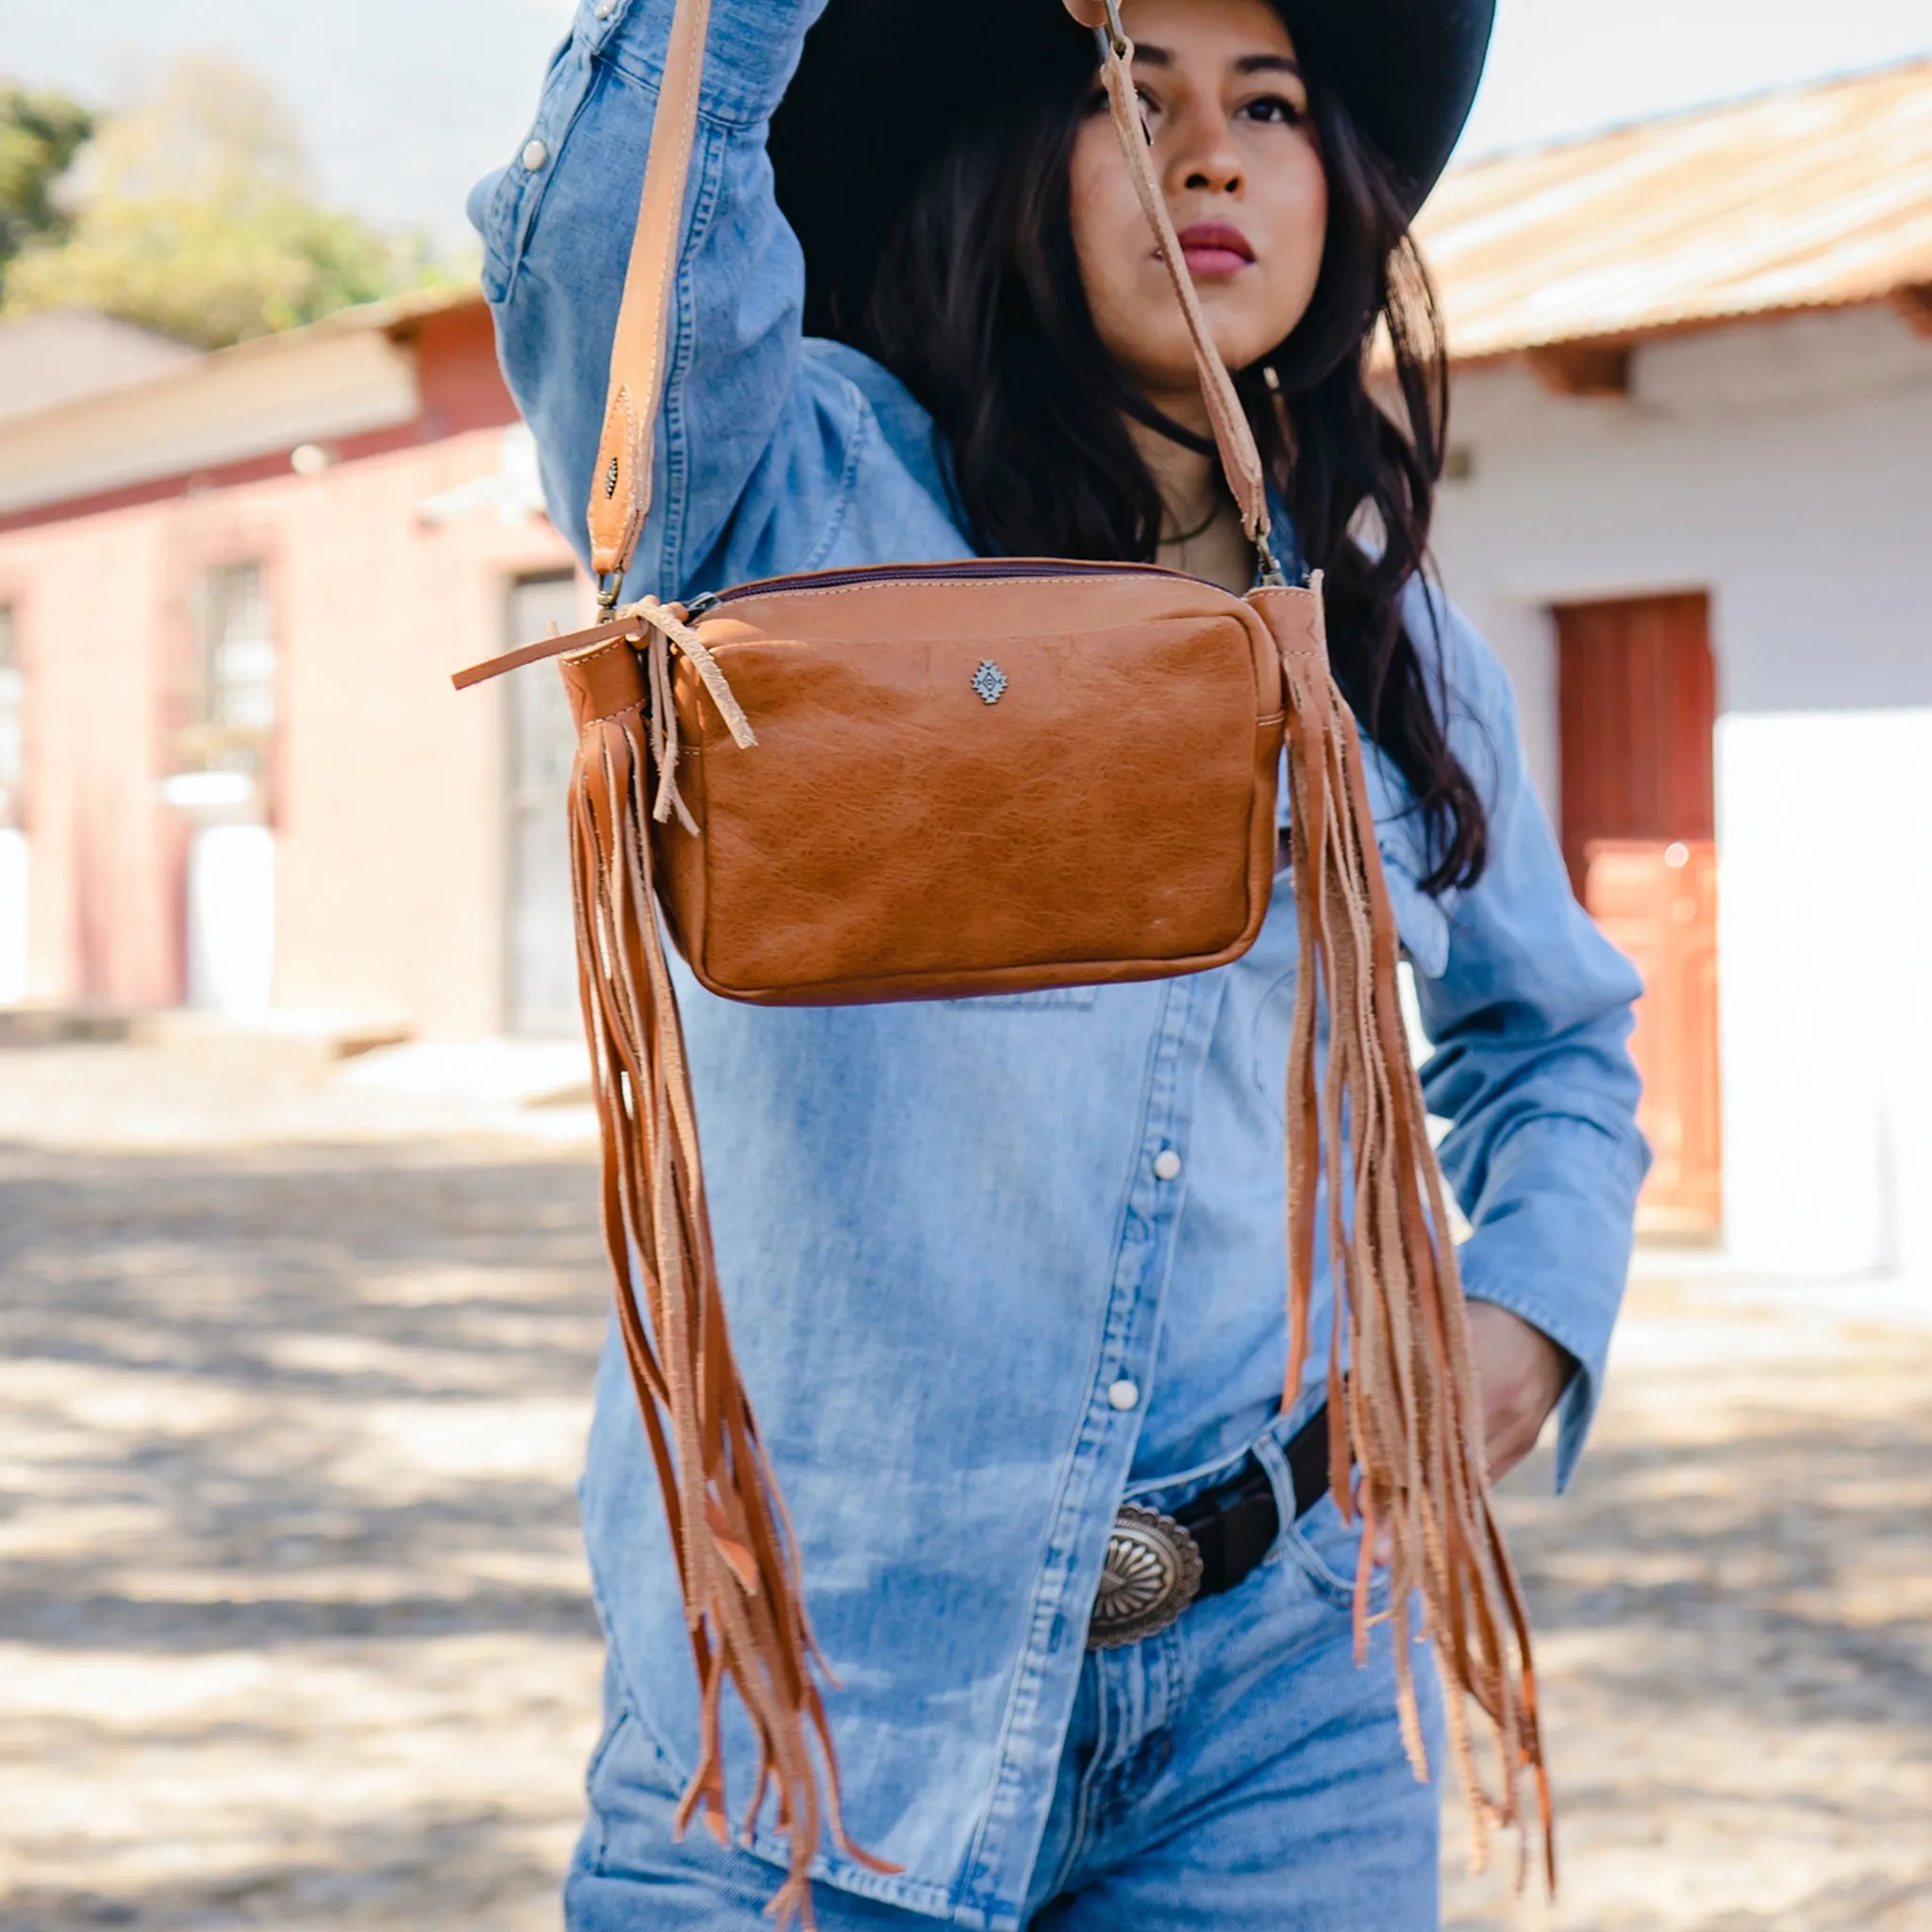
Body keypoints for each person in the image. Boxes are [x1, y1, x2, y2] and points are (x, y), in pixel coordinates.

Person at [472, 0, 1648, 1924]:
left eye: (1266, 104)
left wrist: (1528, 1301)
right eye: (1130, 92)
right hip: (811, 1717)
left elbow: (1557, 1037)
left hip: (1288, 1705)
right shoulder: (792, 492)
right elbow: (625, 211)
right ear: (1014, 150)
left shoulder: (1383, 635)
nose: (1210, 154)